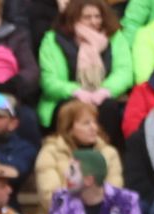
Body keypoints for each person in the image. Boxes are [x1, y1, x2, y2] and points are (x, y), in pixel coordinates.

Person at [36, 0, 132, 135]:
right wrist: (77, 92)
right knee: (73, 108)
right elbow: (49, 81)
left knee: (109, 106)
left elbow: (124, 71)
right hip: (66, 98)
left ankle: (105, 150)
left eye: (97, 16)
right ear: (73, 17)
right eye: (87, 17)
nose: (94, 21)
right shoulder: (53, 40)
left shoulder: (115, 37)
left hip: (105, 97)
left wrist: (104, 91)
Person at [33, 100, 123, 214]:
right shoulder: (50, 152)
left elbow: (114, 192)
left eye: (95, 122)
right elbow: (50, 197)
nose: (94, 128)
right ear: (69, 128)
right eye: (86, 123)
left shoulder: (109, 153)